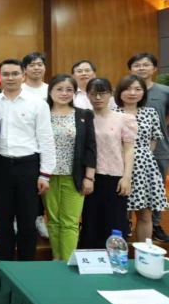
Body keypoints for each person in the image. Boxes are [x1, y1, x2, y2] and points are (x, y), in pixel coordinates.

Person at [0, 59, 55, 264]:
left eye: (15, 74)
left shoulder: (38, 104)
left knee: (27, 221)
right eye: (6, 74)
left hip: (29, 166)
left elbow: (46, 139)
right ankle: (3, 267)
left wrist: (45, 174)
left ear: (23, 76)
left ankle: (27, 267)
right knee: (3, 220)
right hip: (0, 165)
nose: (10, 78)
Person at [78, 78, 137, 249]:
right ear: (87, 95)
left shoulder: (124, 118)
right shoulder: (82, 118)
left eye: (102, 93)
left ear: (110, 94)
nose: (98, 97)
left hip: (114, 176)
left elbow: (129, 150)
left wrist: (127, 177)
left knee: (115, 221)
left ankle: (114, 259)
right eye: (93, 93)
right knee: (90, 221)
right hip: (88, 177)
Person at [43, 74, 97, 261]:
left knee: (70, 221)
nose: (64, 93)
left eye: (69, 90)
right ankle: (56, 258)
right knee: (53, 220)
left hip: (74, 176)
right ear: (50, 91)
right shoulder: (42, 113)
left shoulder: (83, 115)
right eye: (59, 89)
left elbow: (90, 148)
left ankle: (67, 262)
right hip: (47, 176)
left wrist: (89, 177)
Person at [114, 75, 168, 242]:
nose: (132, 93)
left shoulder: (150, 113)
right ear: (119, 92)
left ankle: (142, 252)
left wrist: (140, 158)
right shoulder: (112, 113)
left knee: (145, 214)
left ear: (143, 92)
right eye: (127, 89)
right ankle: (117, 251)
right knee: (117, 213)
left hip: (144, 167)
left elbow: (153, 141)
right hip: (117, 166)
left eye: (137, 89)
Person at [128, 52, 169, 242]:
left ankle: (156, 224)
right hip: (128, 152)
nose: (141, 68)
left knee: (154, 189)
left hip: (158, 149)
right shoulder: (124, 91)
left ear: (154, 68)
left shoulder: (164, 91)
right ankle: (126, 222)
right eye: (137, 65)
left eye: (146, 64)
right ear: (130, 69)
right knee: (128, 189)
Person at [20, 52, 50, 239]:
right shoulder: (19, 89)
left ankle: (39, 218)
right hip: (26, 145)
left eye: (40, 64)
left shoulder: (51, 90)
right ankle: (20, 219)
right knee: (27, 186)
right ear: (24, 70)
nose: (36, 68)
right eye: (32, 65)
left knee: (43, 184)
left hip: (47, 143)